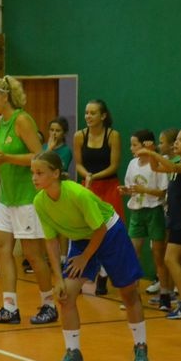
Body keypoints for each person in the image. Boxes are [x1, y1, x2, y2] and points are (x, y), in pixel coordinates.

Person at [31, 151, 151, 361]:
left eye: (40, 173)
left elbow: (100, 229)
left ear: (56, 174)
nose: (34, 178)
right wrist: (58, 278)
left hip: (109, 232)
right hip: (81, 239)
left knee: (128, 292)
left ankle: (141, 348)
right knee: (65, 295)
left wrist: (85, 257)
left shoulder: (77, 193)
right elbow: (51, 241)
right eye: (33, 173)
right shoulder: (40, 202)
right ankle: (73, 355)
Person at [0, 75, 57, 325]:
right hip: (6, 197)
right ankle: (9, 308)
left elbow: (39, 156)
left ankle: (49, 305)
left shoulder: (22, 120)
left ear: (5, 97)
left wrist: (7, 159)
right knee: (2, 250)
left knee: (33, 255)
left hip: (26, 197)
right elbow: (2, 156)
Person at [138, 128, 181, 319]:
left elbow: (172, 168)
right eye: (176, 140)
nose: (176, 143)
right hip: (177, 219)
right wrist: (151, 154)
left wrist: (151, 152)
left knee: (169, 259)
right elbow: (156, 168)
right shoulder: (178, 162)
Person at [73, 99, 124, 296]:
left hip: (109, 187)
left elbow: (114, 165)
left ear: (103, 116)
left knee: (108, 232)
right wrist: (87, 176)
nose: (88, 116)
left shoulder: (113, 135)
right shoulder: (79, 136)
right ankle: (80, 274)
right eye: (86, 112)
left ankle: (104, 275)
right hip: (87, 187)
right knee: (84, 231)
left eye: (93, 113)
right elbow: (78, 163)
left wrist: (95, 176)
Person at [120, 129, 170, 310]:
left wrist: (144, 190)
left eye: (134, 145)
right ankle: (133, 296)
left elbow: (162, 192)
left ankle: (165, 295)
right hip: (137, 212)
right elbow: (132, 187)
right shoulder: (132, 164)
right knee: (133, 254)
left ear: (146, 145)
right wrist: (126, 190)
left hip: (154, 211)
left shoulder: (157, 163)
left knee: (158, 255)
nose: (131, 148)